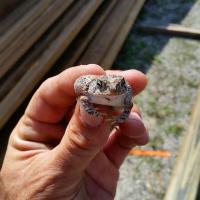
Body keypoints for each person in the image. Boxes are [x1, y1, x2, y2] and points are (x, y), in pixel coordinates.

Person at [0, 64, 148, 199]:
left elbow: (127, 102)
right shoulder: (91, 87)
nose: (113, 89)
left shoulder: (122, 90)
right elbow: (82, 92)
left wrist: (119, 117)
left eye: (120, 85)